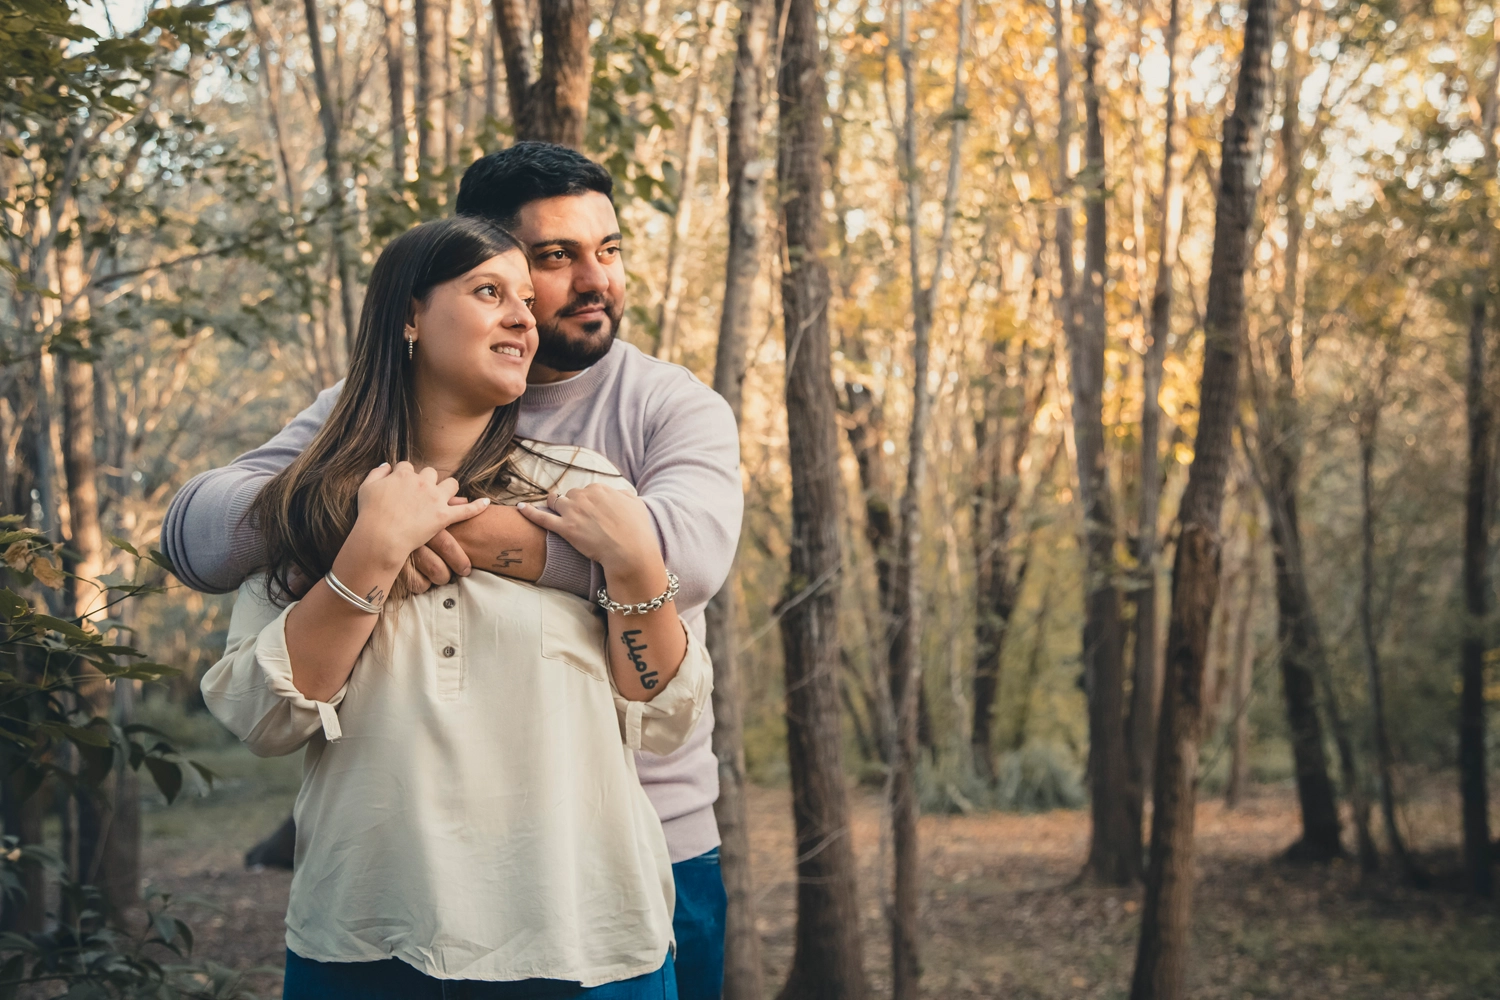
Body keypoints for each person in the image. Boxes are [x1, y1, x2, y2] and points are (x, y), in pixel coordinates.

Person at [161, 143, 739, 998]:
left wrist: (462, 526)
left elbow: (684, 563)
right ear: (417, 310)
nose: (593, 281)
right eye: (550, 260)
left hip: (615, 873)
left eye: (608, 251)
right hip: (376, 917)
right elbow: (198, 539)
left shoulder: (654, 415)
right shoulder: (346, 446)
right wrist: (363, 525)